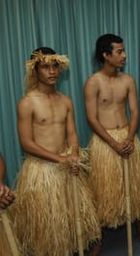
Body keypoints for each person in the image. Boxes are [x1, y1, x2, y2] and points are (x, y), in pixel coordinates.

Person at [11, 47, 101, 255]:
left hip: (68, 165)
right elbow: (26, 143)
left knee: (73, 220)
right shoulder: (27, 103)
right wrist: (60, 159)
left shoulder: (65, 100)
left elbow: (72, 134)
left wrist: (75, 155)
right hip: (42, 171)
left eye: (55, 66)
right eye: (45, 67)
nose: (52, 71)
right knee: (50, 227)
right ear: (35, 70)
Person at [84, 34, 140, 247]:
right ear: (106, 55)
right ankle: (99, 240)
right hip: (105, 142)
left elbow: (135, 111)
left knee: (134, 187)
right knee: (103, 191)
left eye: (123, 51)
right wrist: (113, 143)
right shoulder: (93, 82)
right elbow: (91, 118)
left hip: (127, 137)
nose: (124, 55)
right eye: (119, 51)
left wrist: (129, 137)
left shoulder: (127, 80)